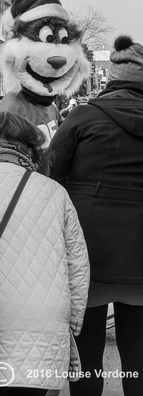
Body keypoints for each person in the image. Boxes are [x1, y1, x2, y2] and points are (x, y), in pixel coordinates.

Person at [0, 111, 90, 395]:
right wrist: (73, 320)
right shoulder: (54, 191)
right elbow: (77, 262)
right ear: (32, 148)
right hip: (42, 322)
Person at [49, 35, 143, 396]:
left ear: (111, 78)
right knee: (139, 350)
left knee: (86, 353)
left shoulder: (84, 115)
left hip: (89, 250)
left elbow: (51, 173)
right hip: (139, 254)